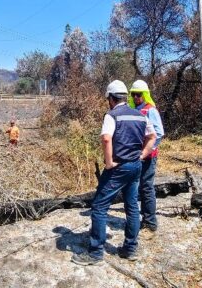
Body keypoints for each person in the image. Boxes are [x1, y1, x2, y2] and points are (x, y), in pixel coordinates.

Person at [71, 80, 156, 266]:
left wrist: (109, 163)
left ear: (111, 98)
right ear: (125, 97)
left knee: (99, 206)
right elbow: (153, 136)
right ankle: (130, 249)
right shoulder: (140, 115)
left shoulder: (111, 115)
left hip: (118, 168)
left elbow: (106, 138)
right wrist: (143, 154)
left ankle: (95, 253)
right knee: (132, 206)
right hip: (136, 166)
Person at [128, 80, 165, 233]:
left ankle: (150, 222)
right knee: (135, 187)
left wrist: (147, 150)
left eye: (139, 94)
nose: (136, 97)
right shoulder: (132, 110)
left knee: (146, 187)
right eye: (133, 94)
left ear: (145, 94)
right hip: (135, 155)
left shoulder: (151, 110)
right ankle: (139, 219)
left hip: (148, 156)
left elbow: (159, 133)